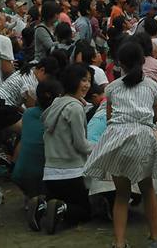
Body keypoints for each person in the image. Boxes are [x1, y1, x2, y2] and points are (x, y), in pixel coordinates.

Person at [83, 42, 157, 248]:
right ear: (143, 61)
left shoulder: (112, 88)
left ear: (119, 63)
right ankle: (155, 239)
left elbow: (110, 119)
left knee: (121, 195)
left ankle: (119, 242)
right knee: (147, 189)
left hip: (116, 139)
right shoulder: (152, 87)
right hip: (142, 138)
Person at [35, 64, 94, 233]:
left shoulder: (55, 104)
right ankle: (61, 208)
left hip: (49, 174)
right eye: (83, 80)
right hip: (71, 172)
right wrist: (100, 146)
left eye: (89, 80)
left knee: (61, 199)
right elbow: (80, 144)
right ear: (72, 81)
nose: (87, 85)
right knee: (85, 212)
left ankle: (43, 205)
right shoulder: (75, 108)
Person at [20, 79, 62, 230]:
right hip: (43, 175)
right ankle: (42, 203)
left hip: (20, 174)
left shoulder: (28, 113)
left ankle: (34, 198)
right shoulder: (56, 116)